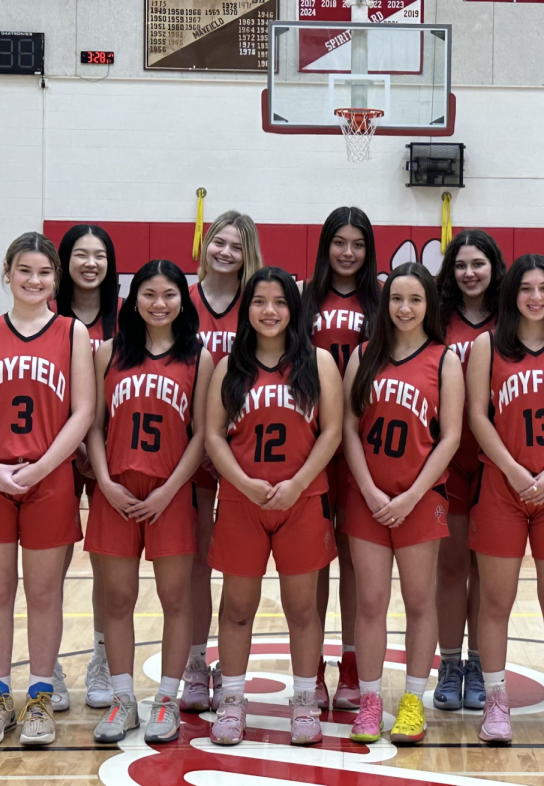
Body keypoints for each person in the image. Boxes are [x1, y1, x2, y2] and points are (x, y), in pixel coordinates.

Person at [0, 232, 95, 747]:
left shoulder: (72, 332)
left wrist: (41, 468)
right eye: (25, 271)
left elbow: (83, 412)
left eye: (45, 273)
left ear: (56, 279)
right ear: (7, 272)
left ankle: (37, 696)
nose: (35, 281)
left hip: (48, 478)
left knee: (44, 593)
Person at [205, 267, 343, 746]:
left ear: (294, 309)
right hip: (244, 501)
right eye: (259, 301)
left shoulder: (319, 362)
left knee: (302, 608)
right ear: (247, 310)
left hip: (301, 500)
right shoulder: (230, 366)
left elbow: (332, 431)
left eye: (280, 302)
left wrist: (298, 481)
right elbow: (213, 435)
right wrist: (241, 482)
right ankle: (233, 702)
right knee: (238, 607)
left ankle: (305, 703)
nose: (269, 311)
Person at [84, 260, 213, 745]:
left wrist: (170, 489)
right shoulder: (109, 352)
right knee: (117, 601)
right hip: (114, 493)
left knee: (175, 600)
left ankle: (165, 700)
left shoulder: (199, 359)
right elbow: (93, 425)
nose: (159, 304)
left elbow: (201, 435)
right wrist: (104, 481)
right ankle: (122, 700)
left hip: (171, 495)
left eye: (170, 295)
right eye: (149, 294)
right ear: (133, 298)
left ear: (184, 300)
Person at [466, 255, 544, 745]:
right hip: (502, 486)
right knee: (495, 602)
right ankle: (496, 702)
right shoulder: (487, 345)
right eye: (526, 288)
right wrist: (515, 470)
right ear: (511, 294)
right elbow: (478, 415)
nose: (536, 297)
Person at [342, 263, 463, 745]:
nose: (405, 308)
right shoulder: (363, 357)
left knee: (419, 602)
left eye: (415, 299)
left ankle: (413, 700)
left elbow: (451, 436)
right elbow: (349, 430)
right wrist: (371, 490)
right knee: (370, 602)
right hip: (368, 499)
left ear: (429, 305)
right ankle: (371, 701)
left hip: (420, 498)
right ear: (385, 304)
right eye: (397, 299)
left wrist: (412, 494)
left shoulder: (444, 359)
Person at [180, 211, 264, 714]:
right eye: (218, 242)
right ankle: (194, 662)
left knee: (233, 569)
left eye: (236, 245)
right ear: (205, 243)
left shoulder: (258, 304)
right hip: (189, 449)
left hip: (242, 451)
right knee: (194, 563)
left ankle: (227, 669)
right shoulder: (181, 301)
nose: (225, 252)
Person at [302, 206, 382, 710]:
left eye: (357, 243)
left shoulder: (381, 302)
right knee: (312, 560)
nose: (348, 252)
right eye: (339, 242)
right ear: (325, 245)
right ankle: (310, 665)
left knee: (357, 561)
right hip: (309, 440)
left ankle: (351, 662)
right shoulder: (305, 298)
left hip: (361, 441)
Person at [433, 229, 504, 712]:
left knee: (487, 573)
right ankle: (450, 662)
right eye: (461, 264)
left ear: (495, 267)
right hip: (447, 458)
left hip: (498, 458)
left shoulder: (513, 320)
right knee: (452, 566)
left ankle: (479, 661)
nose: (470, 273)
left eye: (478, 263)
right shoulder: (437, 321)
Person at [54, 223, 121, 711]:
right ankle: (48, 664)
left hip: (106, 460)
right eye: (81, 254)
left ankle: (101, 658)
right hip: (55, 458)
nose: (90, 263)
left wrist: (95, 452)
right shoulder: (47, 317)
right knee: (49, 568)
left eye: (99, 255)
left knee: (107, 570)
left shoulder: (125, 320)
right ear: (65, 262)